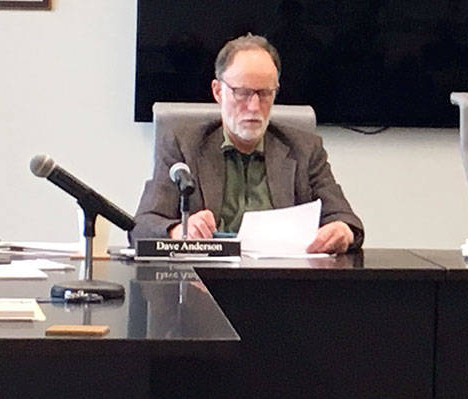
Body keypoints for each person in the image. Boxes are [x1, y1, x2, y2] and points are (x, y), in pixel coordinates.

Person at [132, 34, 363, 253]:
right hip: (205, 280)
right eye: (242, 93)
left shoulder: (304, 149)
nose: (254, 106)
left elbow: (346, 220)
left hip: (282, 281)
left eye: (264, 94)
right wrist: (178, 230)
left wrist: (342, 231)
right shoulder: (183, 145)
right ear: (218, 91)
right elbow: (142, 226)